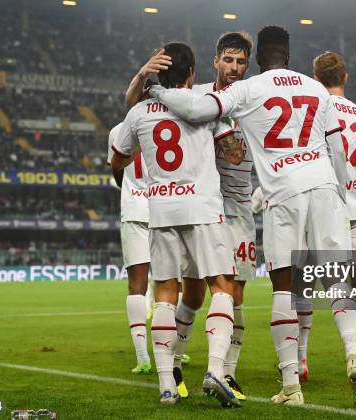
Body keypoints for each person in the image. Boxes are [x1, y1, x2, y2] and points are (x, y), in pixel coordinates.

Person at [148, 26, 356, 408]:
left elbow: (198, 108)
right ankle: (353, 352)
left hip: (281, 193)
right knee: (336, 280)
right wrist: (343, 195)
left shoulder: (249, 90)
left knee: (283, 288)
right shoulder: (315, 88)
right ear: (286, 54)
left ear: (258, 58)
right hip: (324, 188)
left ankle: (290, 385)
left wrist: (155, 90)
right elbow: (338, 151)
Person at [111, 42, 243, 408]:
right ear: (191, 72)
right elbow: (231, 150)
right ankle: (216, 369)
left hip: (162, 211)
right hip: (203, 207)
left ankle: (167, 385)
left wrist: (142, 78)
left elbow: (118, 158)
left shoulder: (138, 113)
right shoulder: (202, 104)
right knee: (221, 288)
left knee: (165, 295)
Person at [301, 51, 356, 388]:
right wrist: (352, 184)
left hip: (325, 208)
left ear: (315, 78)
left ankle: (303, 359)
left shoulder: (315, 110)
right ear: (345, 77)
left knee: (308, 283)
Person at [107, 123, 152, 375]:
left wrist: (131, 190)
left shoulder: (117, 130)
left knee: (137, 284)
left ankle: (143, 357)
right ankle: (175, 349)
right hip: (165, 206)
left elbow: (116, 167)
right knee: (172, 282)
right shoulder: (167, 121)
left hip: (134, 209)